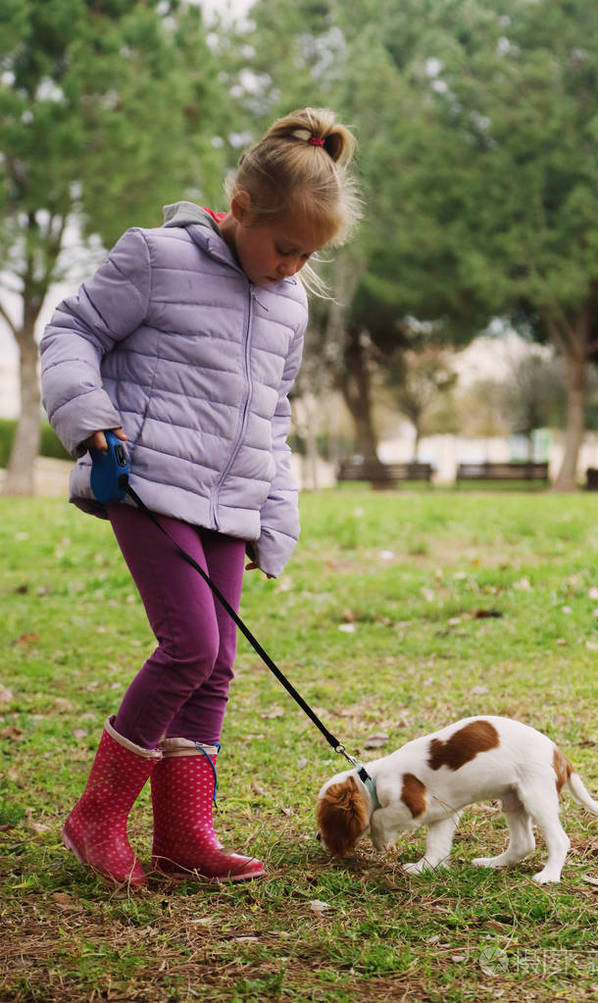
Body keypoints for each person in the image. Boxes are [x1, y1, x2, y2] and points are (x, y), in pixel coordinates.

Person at [40, 107, 362, 888]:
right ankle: (96, 815)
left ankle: (184, 834)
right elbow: (70, 332)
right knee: (192, 644)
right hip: (148, 480)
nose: (292, 266)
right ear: (242, 207)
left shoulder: (290, 302)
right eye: (286, 247)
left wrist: (272, 512)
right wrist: (91, 422)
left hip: (230, 499)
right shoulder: (156, 259)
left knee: (217, 666)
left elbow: (272, 415)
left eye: (308, 255)